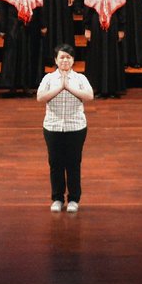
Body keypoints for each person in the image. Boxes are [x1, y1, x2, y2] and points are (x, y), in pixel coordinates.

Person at [37, 43, 94, 213]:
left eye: (68, 57)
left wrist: (68, 87)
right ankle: (57, 198)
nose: (65, 60)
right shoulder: (48, 78)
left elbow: (89, 96)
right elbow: (40, 97)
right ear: (55, 59)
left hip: (75, 127)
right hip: (53, 126)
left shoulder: (80, 78)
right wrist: (59, 87)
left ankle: (74, 199)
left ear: (73, 60)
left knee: (73, 163)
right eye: (61, 57)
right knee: (55, 163)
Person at [0, 0, 44, 96]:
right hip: (13, 27)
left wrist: (43, 25)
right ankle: (11, 85)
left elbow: (41, 9)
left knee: (28, 55)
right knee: (12, 55)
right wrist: (2, 28)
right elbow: (3, 10)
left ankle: (26, 85)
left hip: (31, 27)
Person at [83, 0, 126, 98]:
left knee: (112, 55)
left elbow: (121, 11)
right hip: (96, 26)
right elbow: (87, 11)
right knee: (96, 54)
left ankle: (112, 89)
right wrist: (87, 28)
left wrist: (121, 29)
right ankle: (97, 88)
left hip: (112, 26)